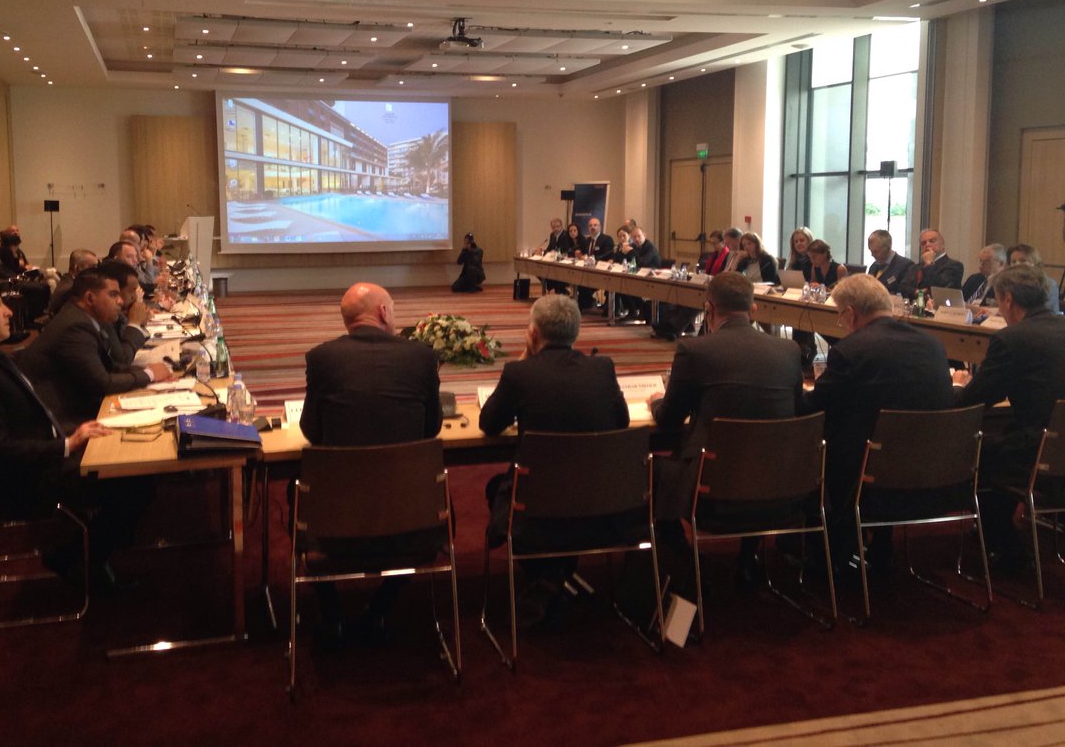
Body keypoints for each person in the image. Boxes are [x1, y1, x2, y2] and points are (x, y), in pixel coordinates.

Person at [0, 277, 141, 591]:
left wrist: (71, 436)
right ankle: (73, 558)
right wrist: (67, 444)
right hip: (19, 482)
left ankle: (103, 542)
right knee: (131, 476)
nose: (7, 311)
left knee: (124, 448)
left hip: (37, 455)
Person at [299, 282, 443, 641]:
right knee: (426, 488)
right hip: (413, 523)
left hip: (333, 525)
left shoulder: (321, 358)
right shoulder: (422, 357)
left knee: (297, 493)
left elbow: (312, 431)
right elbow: (431, 429)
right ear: (383, 312)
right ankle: (381, 607)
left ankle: (332, 613)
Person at [480, 294, 629, 620]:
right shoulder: (602, 369)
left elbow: (488, 424)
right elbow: (623, 422)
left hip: (538, 512)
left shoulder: (519, 374)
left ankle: (548, 579)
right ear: (576, 332)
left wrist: (524, 358)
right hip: (603, 506)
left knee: (497, 488)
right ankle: (556, 577)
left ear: (533, 333)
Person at [649, 272, 804, 587]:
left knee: (651, 472)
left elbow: (669, 420)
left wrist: (656, 401)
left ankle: (684, 564)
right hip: (780, 486)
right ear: (754, 309)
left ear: (708, 308)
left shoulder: (695, 350)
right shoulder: (789, 351)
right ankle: (748, 557)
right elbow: (797, 413)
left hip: (710, 495)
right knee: (755, 451)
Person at [801, 274, 952, 571]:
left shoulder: (851, 350)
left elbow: (815, 405)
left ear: (850, 313)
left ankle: (830, 555)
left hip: (865, 474)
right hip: (930, 467)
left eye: (839, 316)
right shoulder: (933, 345)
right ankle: (879, 545)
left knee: (820, 445)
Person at [954, 264, 1065, 569]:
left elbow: (976, 400)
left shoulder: (1012, 339)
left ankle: (1002, 543)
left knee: (977, 453)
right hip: (1055, 446)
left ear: (1007, 298)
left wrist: (957, 386)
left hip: (1038, 452)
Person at [16, 268, 173, 432]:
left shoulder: (82, 318)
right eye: (113, 295)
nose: (120, 301)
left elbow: (109, 366)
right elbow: (102, 383)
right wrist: (149, 374)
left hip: (77, 408)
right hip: (62, 423)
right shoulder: (76, 327)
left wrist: (146, 371)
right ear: (90, 298)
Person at [94, 260, 150, 370]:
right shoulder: (103, 317)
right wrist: (134, 324)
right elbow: (121, 360)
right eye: (132, 290)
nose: (134, 296)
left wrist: (139, 323)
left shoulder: (120, 313)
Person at [899, 228, 964, 298]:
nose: (927, 245)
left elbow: (938, 288)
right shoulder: (915, 267)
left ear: (942, 244)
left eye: (932, 241)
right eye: (923, 243)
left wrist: (929, 263)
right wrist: (918, 292)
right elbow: (903, 288)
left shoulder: (954, 266)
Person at [1008, 243, 1062, 314]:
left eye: (1023, 261)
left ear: (1035, 264)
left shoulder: (1049, 284)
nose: (1017, 264)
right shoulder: (1008, 283)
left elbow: (1046, 311)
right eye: (1013, 262)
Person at [577, 217, 615, 310]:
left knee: (585, 284)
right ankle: (587, 304)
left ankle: (587, 304)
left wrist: (590, 259)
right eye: (590, 226)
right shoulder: (587, 240)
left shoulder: (607, 239)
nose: (592, 227)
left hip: (602, 272)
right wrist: (580, 255)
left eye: (595, 225)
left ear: (600, 227)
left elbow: (608, 255)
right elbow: (583, 254)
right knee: (580, 282)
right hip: (588, 271)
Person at [49, 248, 99, 316]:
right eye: (93, 267)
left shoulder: (69, 283)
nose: (97, 271)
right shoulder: (69, 291)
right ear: (77, 268)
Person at [865, 229, 914, 295]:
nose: (872, 255)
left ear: (887, 248)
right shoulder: (873, 266)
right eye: (871, 251)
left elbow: (905, 292)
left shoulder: (906, 266)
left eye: (876, 251)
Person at [961, 244, 1006, 308]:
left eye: (986, 262)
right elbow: (959, 300)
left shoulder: (1005, 284)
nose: (981, 265)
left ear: (1001, 264)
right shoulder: (973, 279)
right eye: (980, 261)